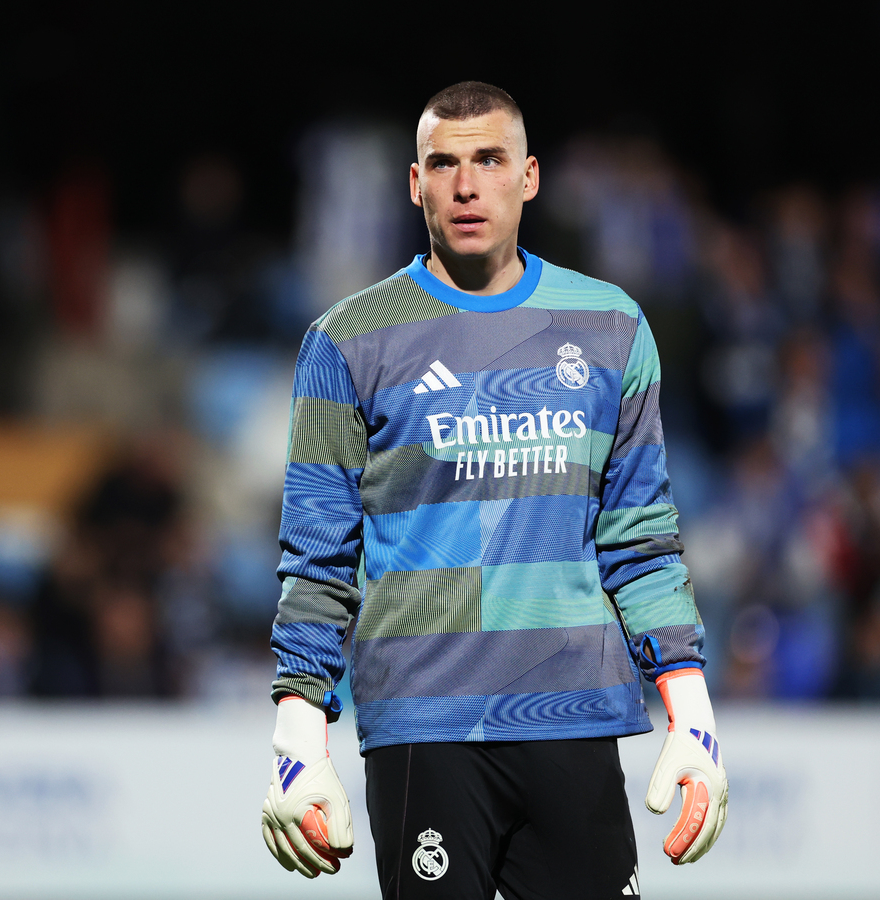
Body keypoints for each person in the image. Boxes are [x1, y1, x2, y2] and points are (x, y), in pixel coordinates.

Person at [260, 82, 728, 899]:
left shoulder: (611, 327)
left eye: (488, 160)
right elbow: (317, 558)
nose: (466, 185)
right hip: (423, 729)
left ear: (530, 176)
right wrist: (298, 727)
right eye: (443, 163)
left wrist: (691, 713)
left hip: (571, 719)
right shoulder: (346, 341)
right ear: (415, 184)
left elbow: (641, 541)